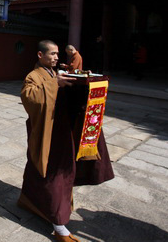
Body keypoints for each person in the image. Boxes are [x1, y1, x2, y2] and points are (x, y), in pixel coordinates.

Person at [18, 40, 114, 242]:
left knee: (46, 173)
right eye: (51, 54)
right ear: (39, 55)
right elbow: (29, 97)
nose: (56, 57)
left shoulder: (56, 73)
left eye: (57, 54)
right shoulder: (33, 76)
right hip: (47, 135)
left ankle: (30, 202)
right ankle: (59, 226)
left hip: (62, 132)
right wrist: (55, 84)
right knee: (55, 177)